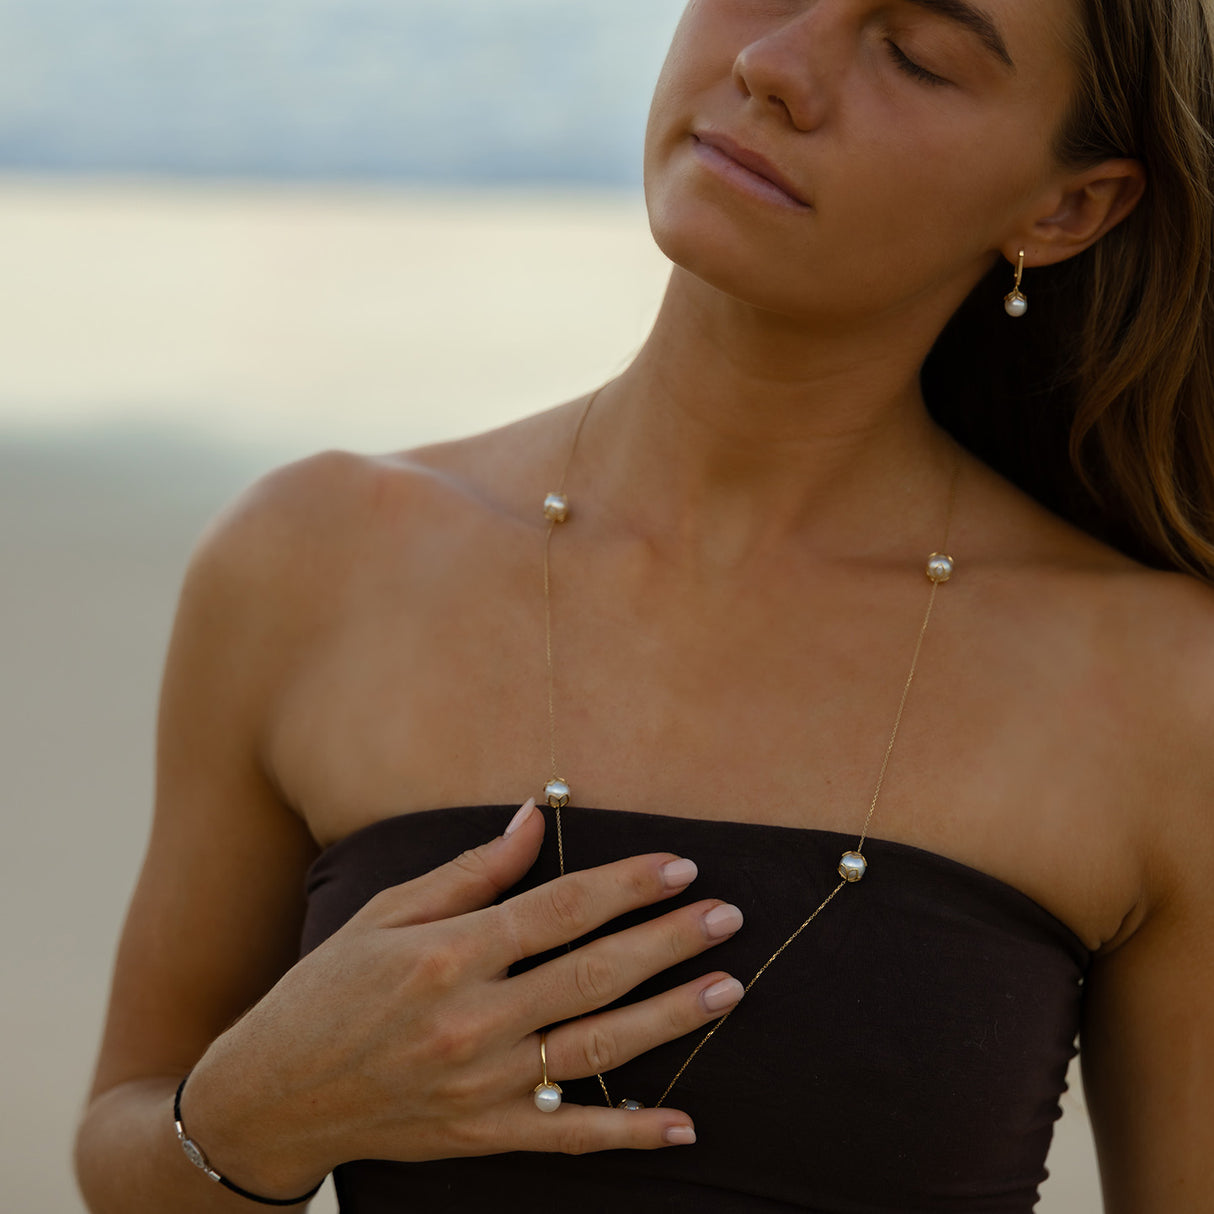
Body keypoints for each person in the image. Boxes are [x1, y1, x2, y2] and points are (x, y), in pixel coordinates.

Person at [76, 1, 1214, 1211]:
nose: (771, 66)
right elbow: (128, 1143)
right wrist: (259, 1109)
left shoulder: (1156, 687)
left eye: (914, 56)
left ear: (1065, 208)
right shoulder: (313, 559)